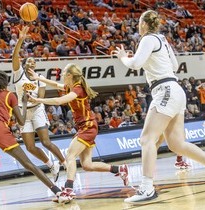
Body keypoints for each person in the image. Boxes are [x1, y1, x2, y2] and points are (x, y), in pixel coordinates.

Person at [113, 10, 205, 204]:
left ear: (144, 24)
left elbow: (135, 63)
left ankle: (147, 188)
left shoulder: (148, 39)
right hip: (175, 89)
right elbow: (174, 64)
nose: (138, 26)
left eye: (139, 22)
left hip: (164, 90)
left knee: (147, 139)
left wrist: (122, 56)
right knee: (177, 144)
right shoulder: (162, 39)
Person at [0, 71, 72, 210]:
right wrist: (23, 103)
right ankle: (58, 192)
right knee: (29, 164)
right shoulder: (9, 95)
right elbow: (22, 122)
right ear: (2, 83)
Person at [27, 63, 129, 199]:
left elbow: (59, 101)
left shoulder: (78, 90)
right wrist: (38, 78)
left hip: (88, 126)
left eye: (64, 73)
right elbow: (56, 85)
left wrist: (37, 100)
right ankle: (120, 169)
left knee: (69, 156)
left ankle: (68, 189)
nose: (62, 75)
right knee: (87, 165)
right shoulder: (72, 87)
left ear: (69, 75)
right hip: (86, 126)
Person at [12, 26, 66, 182]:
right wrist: (20, 40)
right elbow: (14, 57)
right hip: (23, 113)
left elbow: (41, 96)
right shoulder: (18, 74)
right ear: (24, 64)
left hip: (37, 109)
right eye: (29, 61)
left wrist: (33, 98)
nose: (31, 63)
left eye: (34, 62)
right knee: (29, 147)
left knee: (45, 142)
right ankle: (51, 165)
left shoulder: (39, 78)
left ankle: (65, 163)